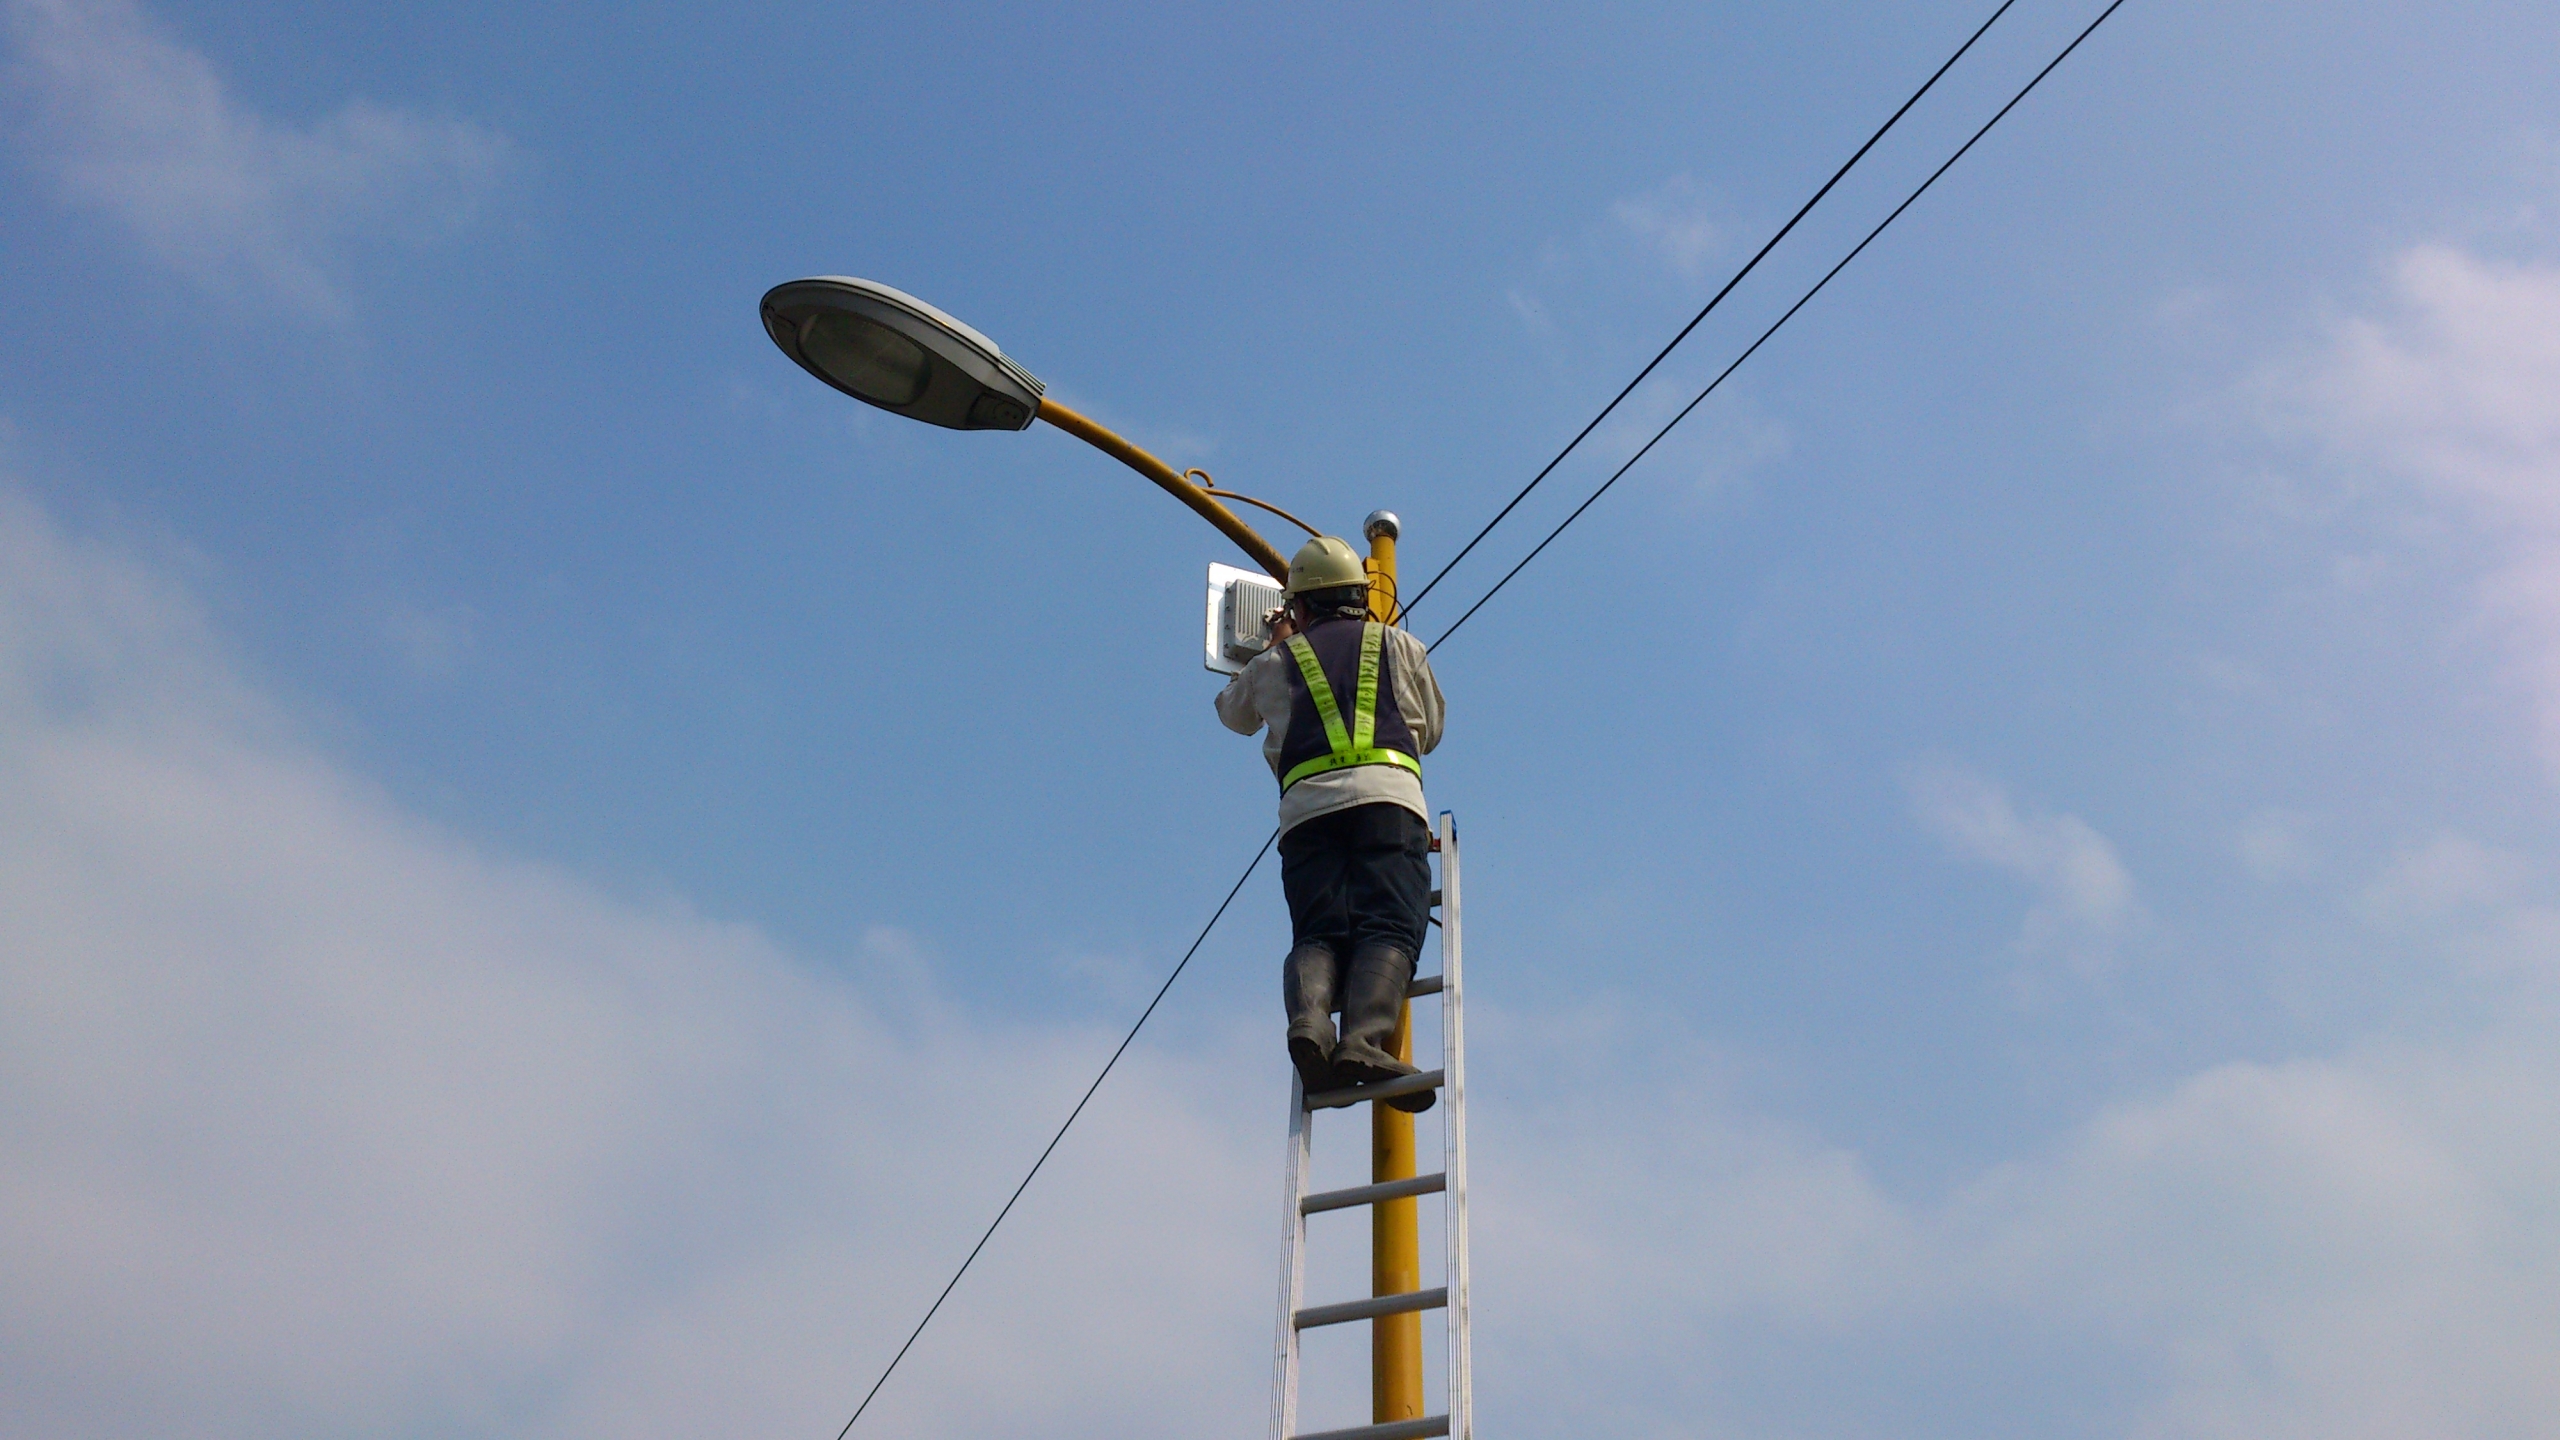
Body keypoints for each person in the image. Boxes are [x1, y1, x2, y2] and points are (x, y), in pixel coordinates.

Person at [1217, 534, 1446, 1110]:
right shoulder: (1400, 645)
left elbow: (1232, 714)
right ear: (1360, 596)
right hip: (1388, 802)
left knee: (1317, 932)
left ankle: (1311, 1026)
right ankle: (1365, 1041)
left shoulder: (1277, 660)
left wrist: (1275, 643)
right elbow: (1434, 729)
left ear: (1300, 606)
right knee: (1388, 927)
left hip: (1307, 815)